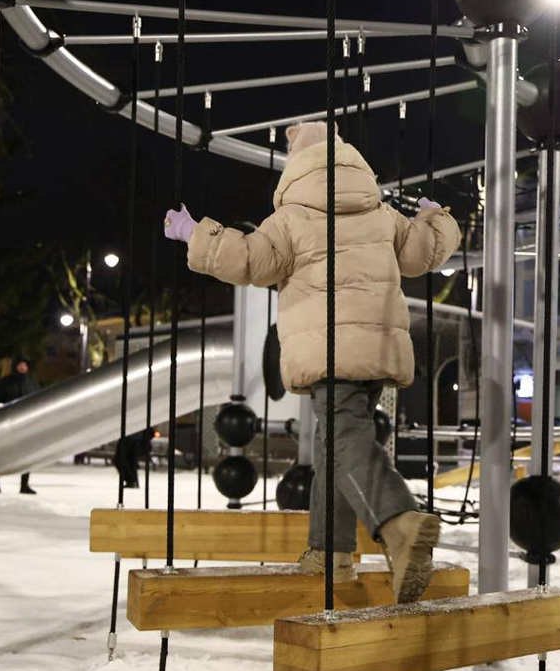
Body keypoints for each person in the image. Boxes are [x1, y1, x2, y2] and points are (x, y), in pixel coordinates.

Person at [163, 121, 462, 603]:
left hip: (329, 349)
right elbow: (422, 254)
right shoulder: (381, 213)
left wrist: (195, 233)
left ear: (298, 167)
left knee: (341, 440)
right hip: (379, 347)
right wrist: (435, 217)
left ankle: (397, 520)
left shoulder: (292, 219)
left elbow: (248, 259)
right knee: (332, 443)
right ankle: (330, 551)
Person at [0, 357, 40, 494]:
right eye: (20, 365)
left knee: (27, 454)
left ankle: (24, 484)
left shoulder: (32, 383)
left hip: (27, 423)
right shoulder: (6, 382)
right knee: (4, 452)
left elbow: (37, 401)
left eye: (25, 365)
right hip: (8, 423)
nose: (23, 368)